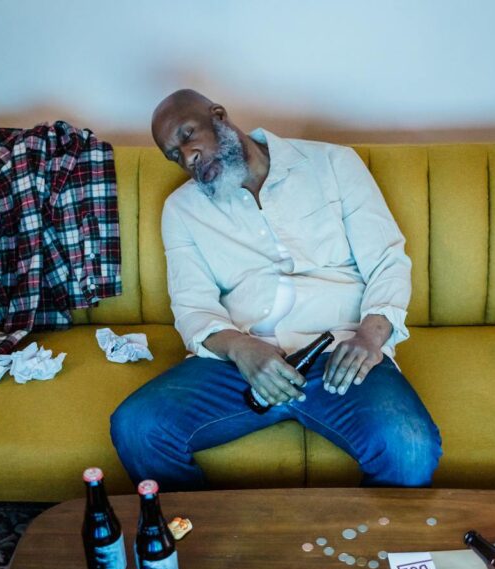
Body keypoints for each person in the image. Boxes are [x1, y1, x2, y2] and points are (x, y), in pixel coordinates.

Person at [111, 89, 441, 490]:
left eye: (187, 136)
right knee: (136, 426)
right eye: (174, 155)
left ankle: (366, 546)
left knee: (409, 449)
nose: (187, 158)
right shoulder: (183, 210)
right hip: (243, 365)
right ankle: (202, 539)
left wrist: (370, 337)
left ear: (219, 116)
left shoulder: (332, 163)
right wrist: (240, 349)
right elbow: (192, 306)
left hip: (339, 353)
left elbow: (387, 260)